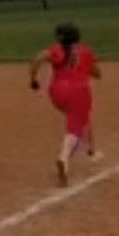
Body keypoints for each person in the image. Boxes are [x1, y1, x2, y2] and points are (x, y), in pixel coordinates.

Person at [28, 23, 100, 187]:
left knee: (80, 118)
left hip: (56, 93)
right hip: (78, 93)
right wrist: (87, 66)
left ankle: (91, 149)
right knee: (74, 130)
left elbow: (38, 59)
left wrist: (33, 79)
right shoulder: (85, 51)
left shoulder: (54, 50)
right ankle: (64, 157)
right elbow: (97, 74)